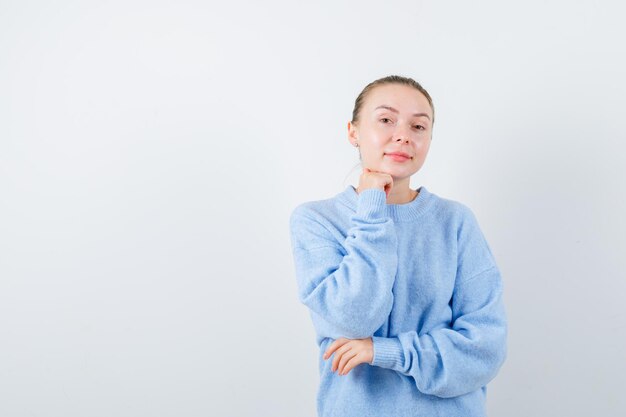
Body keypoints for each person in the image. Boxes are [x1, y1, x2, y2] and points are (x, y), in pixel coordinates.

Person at [289, 75, 507, 417]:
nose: (404, 134)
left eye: (419, 126)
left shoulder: (456, 222)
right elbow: (354, 319)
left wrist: (385, 351)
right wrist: (373, 204)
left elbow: (485, 349)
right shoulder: (316, 220)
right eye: (386, 120)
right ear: (353, 131)